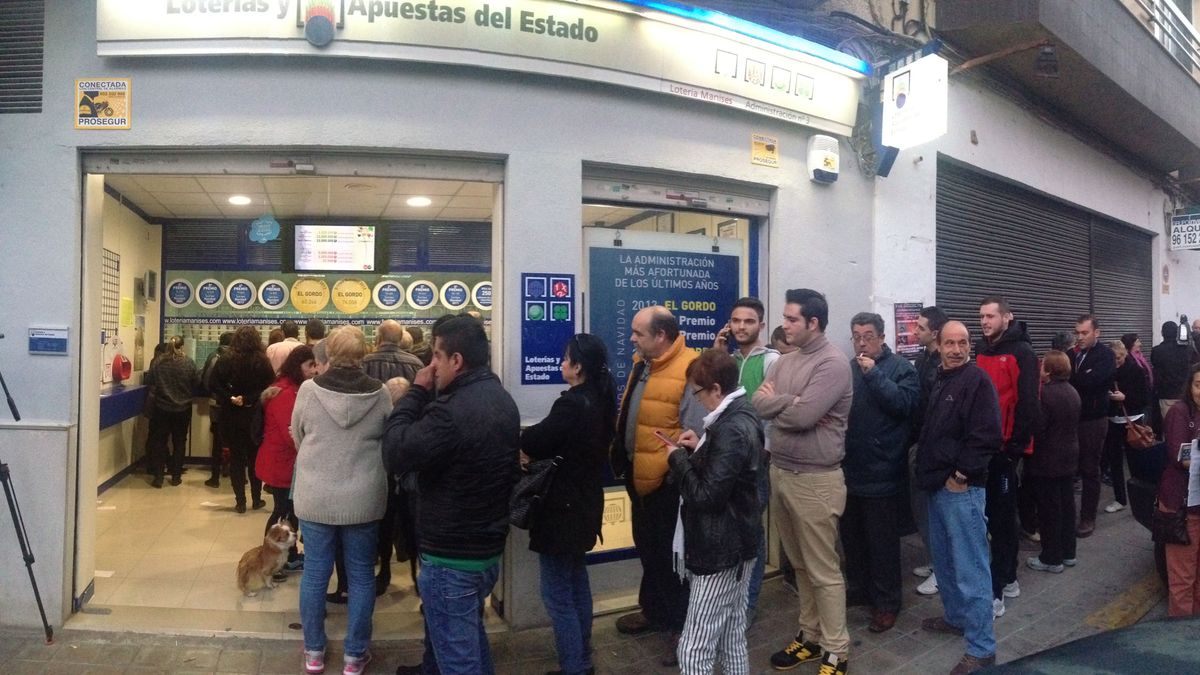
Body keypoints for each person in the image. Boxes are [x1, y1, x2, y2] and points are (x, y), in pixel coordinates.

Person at [384, 315, 520, 675]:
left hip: (452, 559)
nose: (431, 366)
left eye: (436, 357)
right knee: (466, 637)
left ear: (456, 361)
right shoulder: (500, 398)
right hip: (484, 548)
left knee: (461, 661)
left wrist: (415, 392)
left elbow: (396, 451)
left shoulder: (451, 413)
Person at [753, 288, 852, 675]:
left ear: (813, 322)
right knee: (800, 567)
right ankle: (810, 637)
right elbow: (757, 404)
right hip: (781, 472)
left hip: (817, 480)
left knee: (823, 570)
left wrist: (786, 405)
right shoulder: (784, 361)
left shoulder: (833, 364)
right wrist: (789, 403)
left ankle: (836, 650)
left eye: (792, 319)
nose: (785, 325)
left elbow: (803, 417)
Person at [292, 326, 392, 675]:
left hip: (315, 495)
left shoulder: (308, 390)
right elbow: (389, 437)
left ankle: (315, 652)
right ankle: (354, 655)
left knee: (315, 573)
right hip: (363, 497)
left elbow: (298, 434)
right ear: (363, 354)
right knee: (363, 576)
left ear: (328, 355)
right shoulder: (380, 394)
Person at [610, 306, 704, 664]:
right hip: (640, 476)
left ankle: (685, 633)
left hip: (669, 482)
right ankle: (654, 613)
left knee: (676, 560)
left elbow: (696, 432)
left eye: (639, 333)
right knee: (650, 551)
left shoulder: (691, 368)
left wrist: (675, 471)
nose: (632, 338)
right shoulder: (644, 363)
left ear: (661, 336)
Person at [520, 334, 616, 675]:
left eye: (565, 359)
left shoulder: (572, 404)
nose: (561, 364)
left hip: (562, 508)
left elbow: (534, 438)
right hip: (586, 503)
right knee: (576, 584)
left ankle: (574, 665)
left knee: (557, 594)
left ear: (578, 367)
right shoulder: (602, 399)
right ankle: (583, 658)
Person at [667, 349, 762, 675]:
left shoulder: (729, 428)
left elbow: (707, 496)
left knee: (694, 648)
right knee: (732, 636)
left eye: (697, 392)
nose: (696, 400)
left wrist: (677, 460)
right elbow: (729, 472)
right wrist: (702, 448)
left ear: (717, 390)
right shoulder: (741, 414)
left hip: (721, 551)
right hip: (739, 545)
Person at [916, 321, 1002, 675]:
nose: (956, 349)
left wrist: (960, 476)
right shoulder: (941, 377)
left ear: (970, 346)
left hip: (961, 489)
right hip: (937, 486)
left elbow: (987, 435)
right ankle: (956, 618)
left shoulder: (976, 380)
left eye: (962, 342)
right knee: (945, 562)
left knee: (971, 570)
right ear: (937, 344)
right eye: (949, 342)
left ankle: (982, 649)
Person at [841, 312, 919, 633]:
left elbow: (905, 406)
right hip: (850, 469)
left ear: (882, 337)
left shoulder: (902, 369)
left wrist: (874, 375)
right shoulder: (848, 370)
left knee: (882, 544)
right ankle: (860, 589)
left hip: (884, 472)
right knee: (853, 539)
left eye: (868, 335)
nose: (861, 342)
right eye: (856, 336)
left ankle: (887, 603)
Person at [713, 296, 778, 622]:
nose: (741, 327)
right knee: (731, 531)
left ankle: (747, 606)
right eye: (736, 321)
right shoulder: (729, 359)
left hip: (754, 464)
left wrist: (766, 449)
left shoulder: (772, 361)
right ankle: (729, 599)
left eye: (749, 321)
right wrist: (717, 353)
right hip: (725, 460)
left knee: (751, 533)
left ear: (761, 325)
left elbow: (776, 413)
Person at [975, 297, 1037, 617]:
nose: (985, 321)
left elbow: (1029, 404)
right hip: (982, 449)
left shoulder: (1022, 353)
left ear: (1007, 317)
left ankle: (998, 587)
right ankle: (1008, 576)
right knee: (990, 516)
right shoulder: (981, 351)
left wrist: (1014, 449)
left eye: (990, 316)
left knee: (1000, 518)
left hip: (1004, 453)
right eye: (982, 316)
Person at [254, 345, 316, 568]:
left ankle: (286, 558)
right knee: (282, 512)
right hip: (282, 462)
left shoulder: (289, 388)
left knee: (286, 512)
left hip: (283, 461)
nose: (314, 370)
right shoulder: (286, 393)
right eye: (310, 365)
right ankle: (270, 562)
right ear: (297, 366)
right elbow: (290, 432)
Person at [209, 326, 275, 513]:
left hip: (231, 415)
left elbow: (212, 383)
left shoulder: (226, 359)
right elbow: (269, 386)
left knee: (236, 459)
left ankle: (240, 502)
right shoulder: (262, 361)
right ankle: (256, 499)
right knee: (255, 459)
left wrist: (230, 397)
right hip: (254, 415)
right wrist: (249, 399)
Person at [1025, 351, 1081, 573]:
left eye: (1042, 366)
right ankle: (1068, 553)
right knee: (1067, 506)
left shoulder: (1045, 394)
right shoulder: (1072, 392)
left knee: (1049, 510)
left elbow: (1038, 428)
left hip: (1047, 460)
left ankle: (1051, 558)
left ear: (1048, 370)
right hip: (1069, 456)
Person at [911, 305, 949, 596]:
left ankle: (942, 569)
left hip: (933, 447)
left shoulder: (942, 364)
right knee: (922, 509)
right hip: (919, 442)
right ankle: (935, 560)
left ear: (934, 332)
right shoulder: (924, 358)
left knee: (934, 511)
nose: (915, 331)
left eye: (921, 328)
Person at [1068, 314, 1116, 539]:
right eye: (1077, 333)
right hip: (1070, 420)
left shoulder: (1105, 355)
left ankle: (1088, 517)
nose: (1079, 337)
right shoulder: (1071, 354)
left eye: (1084, 333)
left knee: (1089, 468)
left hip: (1093, 420)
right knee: (1067, 468)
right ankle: (1066, 514)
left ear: (1097, 332)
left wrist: (1073, 380)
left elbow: (1093, 381)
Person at [1160, 365, 1200, 616]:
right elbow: (1180, 457)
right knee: (1182, 580)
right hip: (1182, 508)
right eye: (1198, 384)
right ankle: (1178, 640)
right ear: (1189, 386)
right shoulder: (1180, 412)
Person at [145, 336, 199, 488]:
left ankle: (158, 476)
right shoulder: (188, 363)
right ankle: (175, 476)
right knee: (180, 441)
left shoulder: (158, 362)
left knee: (160, 442)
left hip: (161, 408)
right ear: (182, 347)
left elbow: (149, 380)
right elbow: (196, 382)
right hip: (183, 409)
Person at [1103, 339, 1149, 514]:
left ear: (1125, 354)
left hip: (1133, 420)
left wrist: (1125, 397)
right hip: (1113, 420)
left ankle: (1142, 498)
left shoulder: (1136, 370)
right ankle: (1120, 499)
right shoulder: (1107, 371)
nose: (1117, 361)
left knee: (1135, 462)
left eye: (1120, 357)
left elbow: (1144, 398)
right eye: (1114, 358)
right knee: (1115, 462)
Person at [200, 331, 234, 488]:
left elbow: (206, 381)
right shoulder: (238, 358)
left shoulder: (213, 357)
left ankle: (215, 476)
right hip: (234, 406)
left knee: (217, 440)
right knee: (236, 440)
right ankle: (236, 473)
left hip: (216, 403)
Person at [1152, 321, 1198, 419]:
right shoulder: (1187, 349)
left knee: (1169, 424)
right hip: (1185, 393)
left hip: (1166, 394)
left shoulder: (1157, 351)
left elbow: (1156, 368)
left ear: (1162, 333)